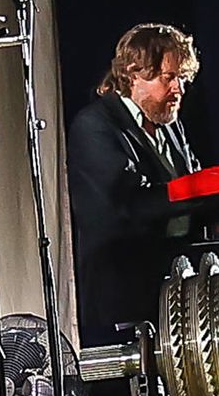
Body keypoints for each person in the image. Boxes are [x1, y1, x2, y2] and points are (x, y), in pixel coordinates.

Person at [68, 22, 199, 344]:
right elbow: (127, 204)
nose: (179, 89)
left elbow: (193, 182)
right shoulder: (94, 125)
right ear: (133, 74)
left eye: (182, 78)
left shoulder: (170, 126)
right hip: (124, 301)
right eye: (168, 78)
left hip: (175, 291)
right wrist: (198, 194)